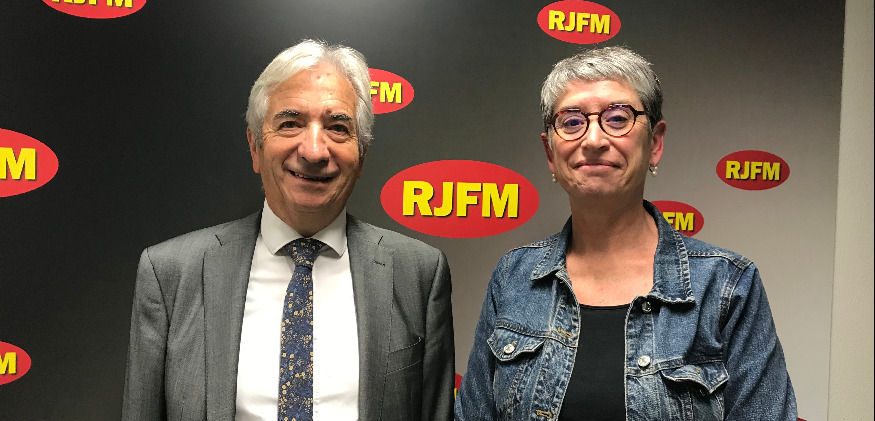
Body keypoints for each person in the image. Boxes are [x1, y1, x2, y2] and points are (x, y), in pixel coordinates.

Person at [454, 46, 796, 420]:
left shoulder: (727, 285)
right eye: (571, 122)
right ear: (551, 153)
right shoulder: (514, 277)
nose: (594, 140)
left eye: (618, 119)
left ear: (655, 143)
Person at [122, 40, 455, 421]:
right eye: (290, 123)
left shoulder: (418, 275)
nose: (314, 151)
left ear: (362, 153)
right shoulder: (170, 275)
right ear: (255, 146)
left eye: (338, 128)